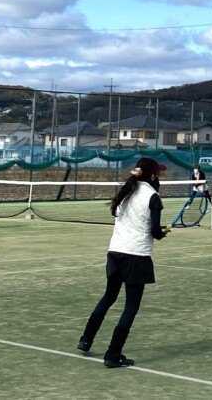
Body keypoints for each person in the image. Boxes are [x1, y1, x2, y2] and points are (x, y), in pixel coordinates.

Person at [78, 157, 169, 368]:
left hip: (115, 252)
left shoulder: (126, 191)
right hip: (136, 255)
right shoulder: (153, 196)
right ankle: (113, 354)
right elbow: (155, 232)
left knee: (109, 296)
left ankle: (86, 339)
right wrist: (162, 233)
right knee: (131, 305)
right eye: (158, 173)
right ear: (153, 175)